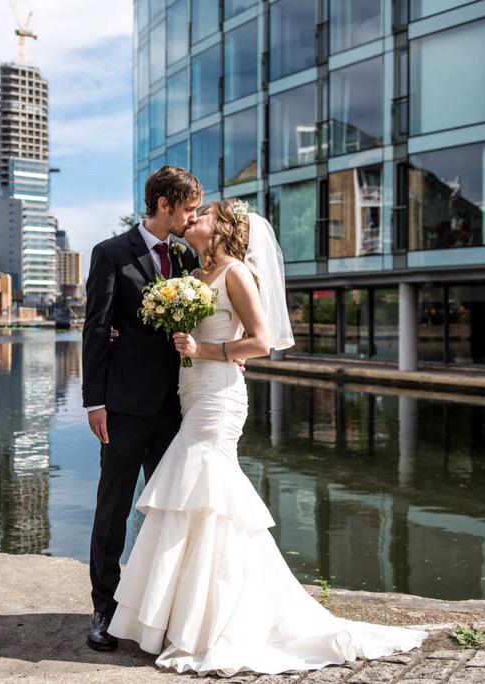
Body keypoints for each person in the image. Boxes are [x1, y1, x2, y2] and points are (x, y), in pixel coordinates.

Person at [106, 199, 427, 676]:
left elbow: (260, 342)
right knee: (196, 501)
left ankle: (212, 621)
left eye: (206, 214)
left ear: (224, 228)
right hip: (191, 391)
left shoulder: (235, 271)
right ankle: (186, 617)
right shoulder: (195, 274)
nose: (195, 217)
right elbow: (178, 340)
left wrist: (205, 349)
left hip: (218, 397)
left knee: (206, 493)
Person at [81, 165, 203, 651]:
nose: (192, 216)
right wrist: (96, 401)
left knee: (169, 509)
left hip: (176, 407)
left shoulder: (185, 255)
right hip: (125, 406)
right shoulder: (110, 254)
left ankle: (156, 609)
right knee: (112, 508)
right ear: (165, 203)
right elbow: (95, 329)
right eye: (188, 207)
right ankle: (104, 610)